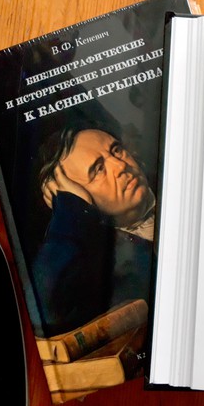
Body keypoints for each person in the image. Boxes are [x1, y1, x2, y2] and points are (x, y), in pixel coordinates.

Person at [32, 120, 155, 336]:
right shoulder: (105, 265)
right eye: (98, 170)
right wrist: (70, 210)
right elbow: (45, 313)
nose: (120, 166)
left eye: (116, 151)